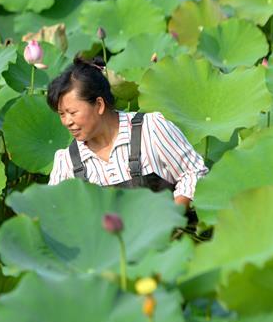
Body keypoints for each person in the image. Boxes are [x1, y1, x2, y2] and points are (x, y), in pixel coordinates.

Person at [47, 56, 208, 210]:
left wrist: (171, 217)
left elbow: (194, 173)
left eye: (72, 113)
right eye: (62, 114)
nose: (67, 121)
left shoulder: (150, 129)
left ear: (99, 105)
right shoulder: (67, 161)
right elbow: (54, 212)